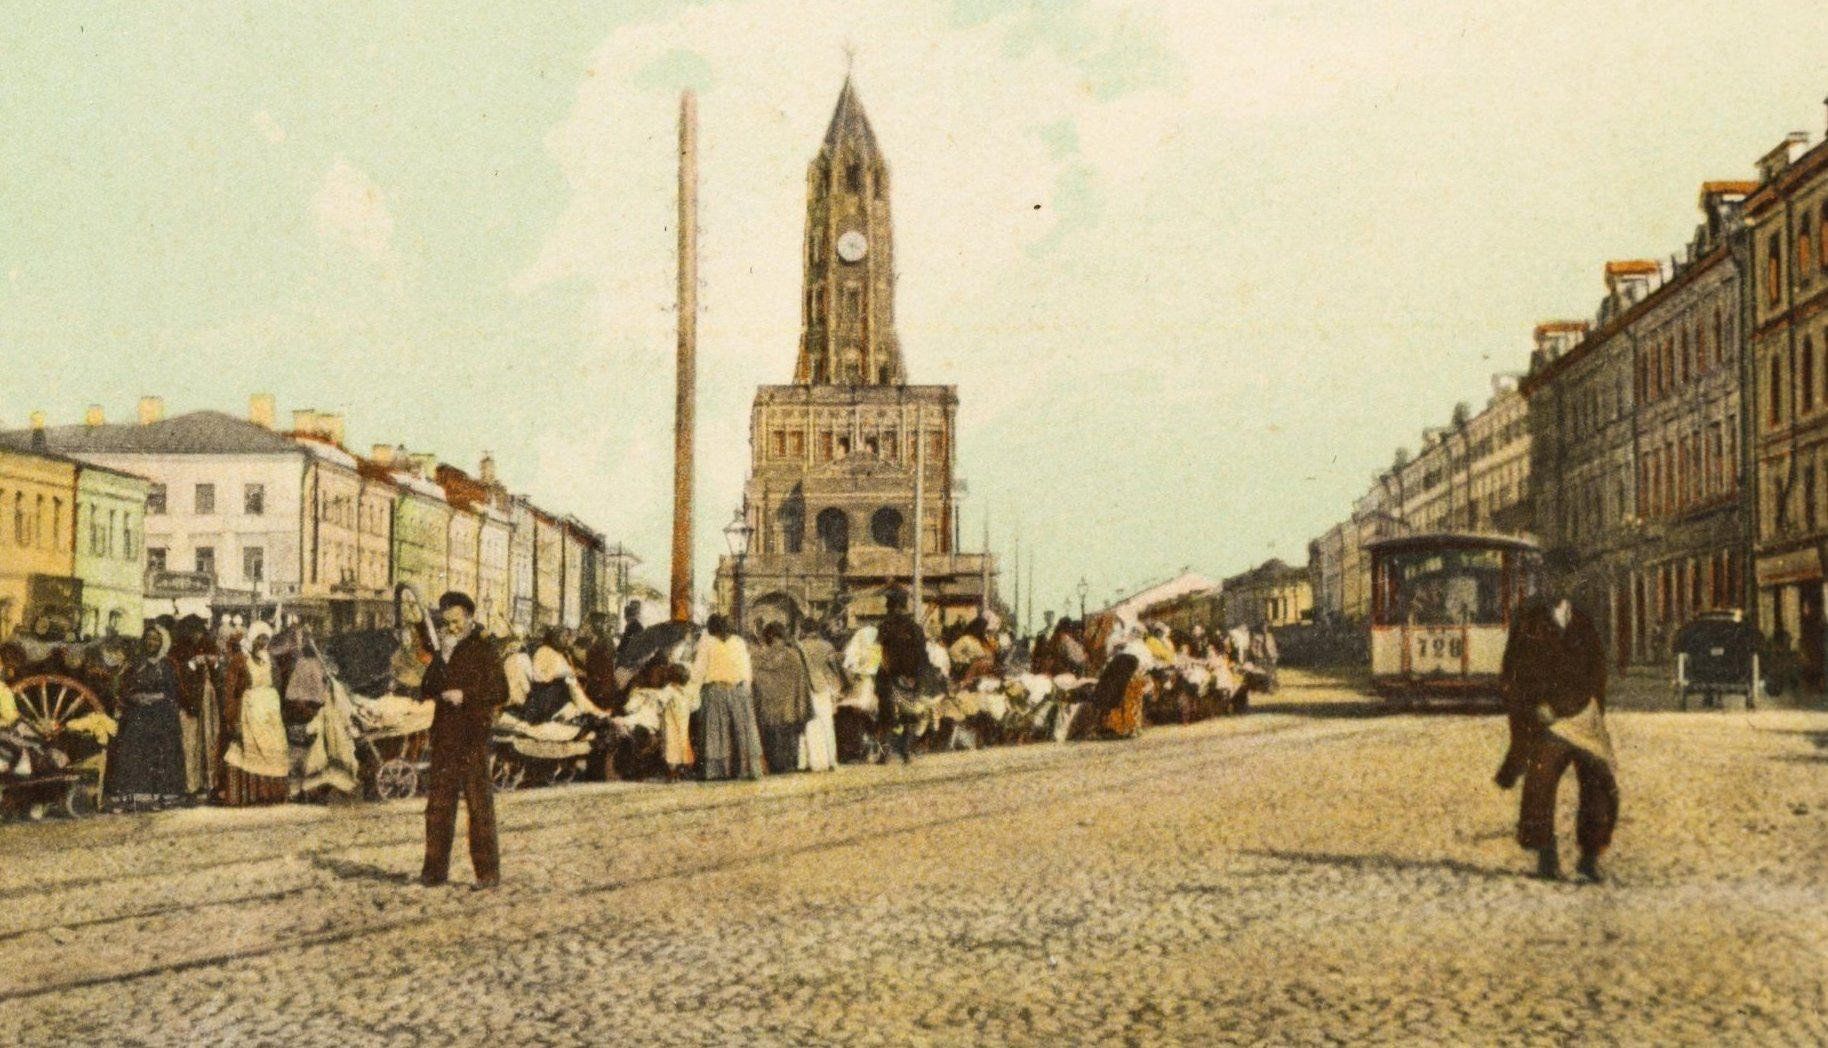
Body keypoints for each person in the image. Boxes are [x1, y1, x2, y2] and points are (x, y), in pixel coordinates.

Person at [1497, 585, 1619, 883]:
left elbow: (1597, 668)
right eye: (1552, 577)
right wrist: (1535, 706)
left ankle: (1589, 858)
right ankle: (1545, 858)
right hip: (1548, 720)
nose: (1559, 584)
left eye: (1565, 577)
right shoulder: (1529, 621)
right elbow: (1513, 670)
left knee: (1599, 784)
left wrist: (1594, 706)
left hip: (1582, 717)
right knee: (1539, 784)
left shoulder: (1583, 621)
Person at [419, 591, 506, 889]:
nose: (451, 628)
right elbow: (427, 687)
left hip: (472, 736)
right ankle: (434, 871)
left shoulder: (484, 648)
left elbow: (500, 690)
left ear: (469, 618)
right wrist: (441, 660)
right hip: (445, 735)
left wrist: (465, 695)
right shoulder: (443, 648)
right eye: (446, 623)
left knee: (478, 805)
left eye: (456, 622)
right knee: (438, 806)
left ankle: (488, 874)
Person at [105, 626, 188, 812]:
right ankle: (129, 797)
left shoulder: (167, 665)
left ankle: (158, 797)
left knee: (159, 752)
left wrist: (155, 697)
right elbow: (124, 688)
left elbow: (174, 690)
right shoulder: (135, 664)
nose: (152, 643)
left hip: (160, 714)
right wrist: (135, 697)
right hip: (137, 714)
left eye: (155, 639)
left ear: (162, 643)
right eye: (149, 639)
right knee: (131, 750)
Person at [222, 622, 289, 805]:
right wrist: (232, 715)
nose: (262, 642)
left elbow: (278, 683)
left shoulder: (270, 660)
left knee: (272, 748)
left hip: (270, 710)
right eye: (259, 638)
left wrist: (276, 704)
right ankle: (252, 794)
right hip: (250, 709)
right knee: (252, 749)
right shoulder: (241, 660)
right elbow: (229, 689)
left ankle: (270, 794)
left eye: (265, 639)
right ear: (252, 639)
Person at [692, 614, 764, 780]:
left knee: (716, 732)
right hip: (738, 690)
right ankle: (745, 769)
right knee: (742, 730)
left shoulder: (707, 643)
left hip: (715, 690)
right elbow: (746, 669)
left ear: (711, 629)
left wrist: (694, 690)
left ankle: (718, 771)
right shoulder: (738, 642)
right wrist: (746, 688)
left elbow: (698, 671)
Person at [875, 589, 930, 764]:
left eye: (888, 605)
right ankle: (906, 752)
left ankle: (884, 755)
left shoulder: (885, 626)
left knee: (886, 717)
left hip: (889, 676)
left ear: (893, 606)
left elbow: (879, 652)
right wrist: (918, 678)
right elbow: (923, 656)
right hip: (910, 677)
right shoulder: (916, 628)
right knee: (909, 715)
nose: (887, 608)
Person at [752, 621, 812, 774]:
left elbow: (755, 682)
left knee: (771, 741)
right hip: (789, 710)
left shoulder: (759, 657)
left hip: (768, 712)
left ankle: (775, 766)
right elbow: (801, 683)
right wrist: (802, 706)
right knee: (789, 741)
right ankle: (789, 765)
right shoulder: (793, 656)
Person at [798, 623, 841, 772]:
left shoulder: (800, 646)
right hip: (823, 687)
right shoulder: (827, 646)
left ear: (803, 630)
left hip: (805, 689)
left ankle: (806, 763)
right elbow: (835, 667)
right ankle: (831, 761)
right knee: (827, 724)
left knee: (807, 725)